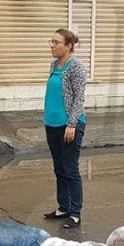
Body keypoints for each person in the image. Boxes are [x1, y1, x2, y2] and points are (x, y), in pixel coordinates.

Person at [43, 28, 87, 229]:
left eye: (56, 42)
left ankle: (75, 213)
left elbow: (79, 97)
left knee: (70, 169)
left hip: (69, 125)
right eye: (51, 41)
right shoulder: (54, 64)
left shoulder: (75, 67)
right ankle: (63, 207)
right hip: (51, 123)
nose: (52, 46)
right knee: (59, 168)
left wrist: (72, 123)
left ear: (68, 46)